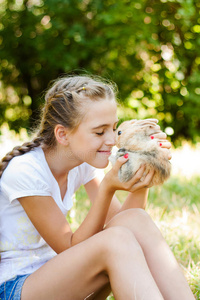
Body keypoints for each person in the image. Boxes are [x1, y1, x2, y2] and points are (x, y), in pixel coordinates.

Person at [0, 75, 194, 300]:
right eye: (100, 132)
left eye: (113, 128)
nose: (112, 139)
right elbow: (69, 246)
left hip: (60, 278)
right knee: (115, 241)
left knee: (134, 221)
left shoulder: (81, 162)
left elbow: (127, 218)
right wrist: (107, 188)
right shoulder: (26, 170)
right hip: (15, 287)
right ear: (63, 134)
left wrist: (145, 171)